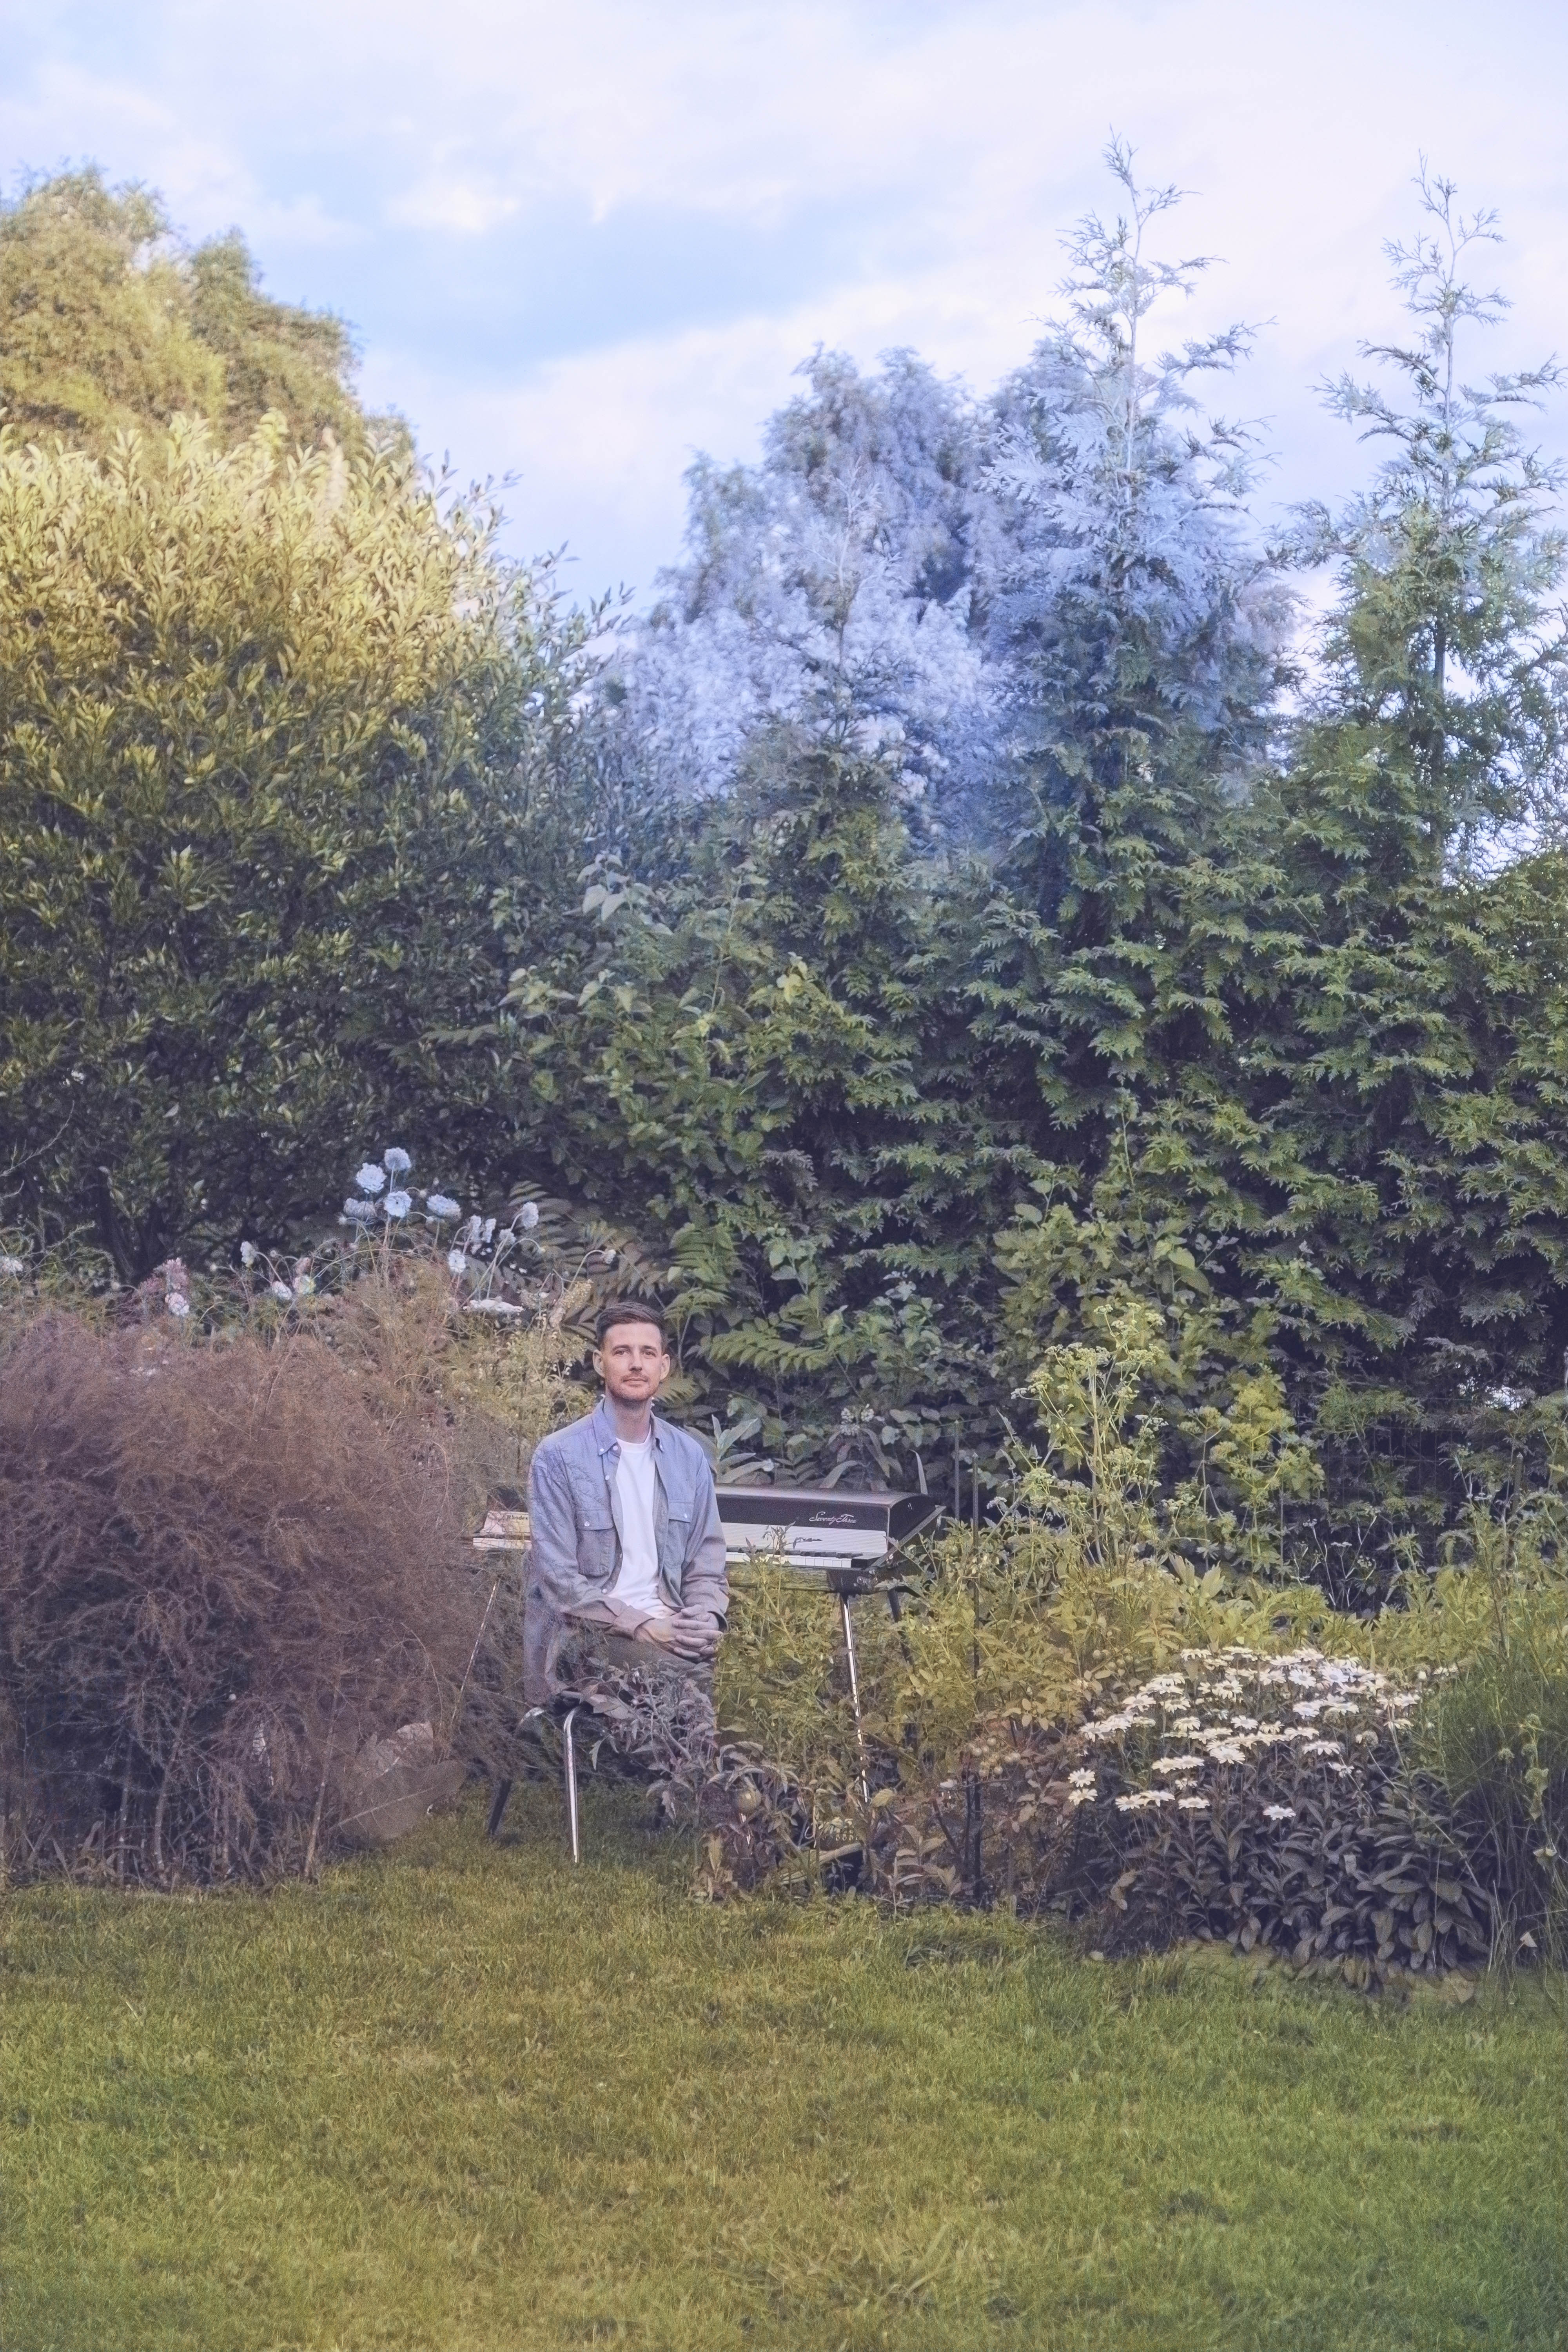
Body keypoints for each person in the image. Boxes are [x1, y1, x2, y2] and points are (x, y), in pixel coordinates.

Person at [523, 1298, 728, 1704]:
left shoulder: (688, 1458)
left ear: (663, 1367)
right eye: (622, 1352)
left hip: (673, 1630)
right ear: (600, 1363)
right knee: (694, 1686)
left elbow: (706, 1567)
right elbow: (560, 1583)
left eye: (647, 1353)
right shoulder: (558, 1457)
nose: (636, 1364)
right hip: (588, 1637)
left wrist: (703, 1620)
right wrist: (643, 1626)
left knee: (760, 1685)